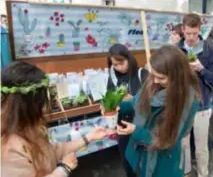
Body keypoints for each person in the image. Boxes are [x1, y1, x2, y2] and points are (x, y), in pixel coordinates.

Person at [1, 62, 113, 177]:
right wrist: (64, 169)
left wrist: (88, 137)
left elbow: (51, 151)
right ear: (28, 104)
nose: (45, 106)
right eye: (42, 100)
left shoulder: (30, 125)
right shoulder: (7, 149)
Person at [113, 45, 200, 177]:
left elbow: (167, 140)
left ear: (177, 76)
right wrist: (118, 107)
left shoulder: (187, 100)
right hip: (137, 154)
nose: (155, 80)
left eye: (161, 78)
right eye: (153, 74)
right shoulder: (153, 81)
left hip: (162, 161)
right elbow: (136, 101)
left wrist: (135, 131)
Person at [178, 13, 213, 177]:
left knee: (201, 146)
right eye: (188, 33)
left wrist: (201, 69)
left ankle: (203, 174)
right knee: (183, 144)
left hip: (202, 105)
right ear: (182, 29)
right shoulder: (177, 49)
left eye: (195, 34)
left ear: (200, 30)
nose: (191, 37)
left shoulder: (208, 49)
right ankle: (187, 172)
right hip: (182, 106)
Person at [106, 43, 148, 177]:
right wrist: (109, 106)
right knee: (127, 162)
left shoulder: (142, 74)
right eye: (115, 65)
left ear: (129, 58)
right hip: (122, 126)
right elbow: (110, 99)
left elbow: (151, 100)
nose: (118, 67)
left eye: (121, 63)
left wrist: (133, 99)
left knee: (143, 162)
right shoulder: (112, 78)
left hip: (140, 125)